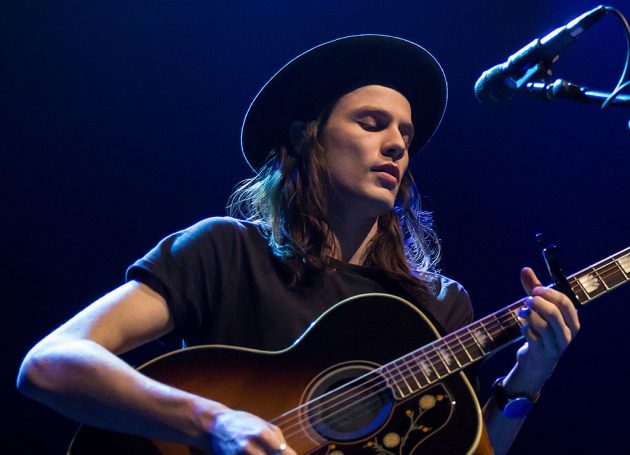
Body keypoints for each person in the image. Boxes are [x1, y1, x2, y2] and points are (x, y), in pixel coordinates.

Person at [17, 35, 579, 455]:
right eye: (371, 123)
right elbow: (50, 363)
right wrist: (214, 423)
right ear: (307, 137)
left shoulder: (436, 305)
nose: (396, 147)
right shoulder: (225, 253)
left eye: (406, 135)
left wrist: (530, 375)